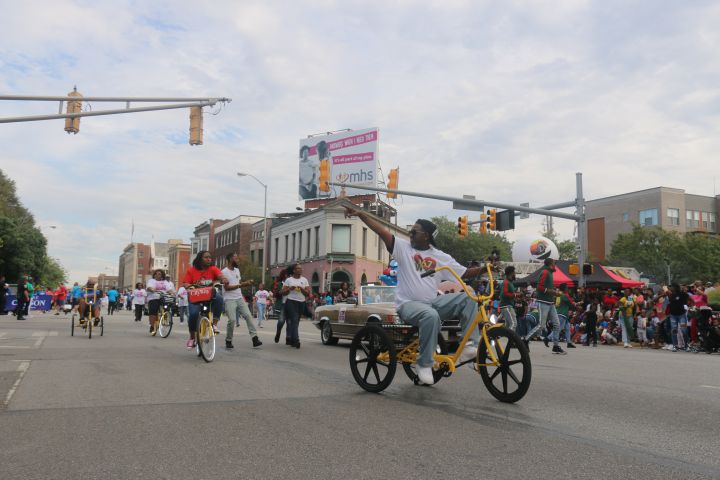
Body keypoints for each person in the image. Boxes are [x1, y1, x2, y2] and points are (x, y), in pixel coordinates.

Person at [344, 206, 483, 385]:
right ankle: (424, 364)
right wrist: (361, 214)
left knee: (469, 299)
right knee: (430, 316)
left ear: (426, 235)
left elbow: (464, 273)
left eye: (414, 232)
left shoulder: (440, 256)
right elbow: (380, 230)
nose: (410, 234)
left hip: (432, 303)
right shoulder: (403, 248)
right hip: (408, 305)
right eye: (410, 231)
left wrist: (486, 269)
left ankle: (470, 347)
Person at [182, 250, 225, 350]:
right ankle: (192, 337)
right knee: (193, 314)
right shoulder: (191, 270)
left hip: (209, 295)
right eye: (206, 257)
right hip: (195, 295)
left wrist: (223, 279)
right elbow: (185, 283)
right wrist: (188, 286)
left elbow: (220, 276)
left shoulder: (213, 269)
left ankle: (214, 325)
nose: (209, 259)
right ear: (200, 259)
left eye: (210, 257)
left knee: (219, 298)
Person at [524, 258, 565, 355]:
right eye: (554, 263)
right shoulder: (545, 272)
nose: (555, 265)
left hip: (549, 302)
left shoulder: (549, 273)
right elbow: (539, 287)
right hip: (543, 302)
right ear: (551, 264)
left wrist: (553, 292)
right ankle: (525, 340)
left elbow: (545, 288)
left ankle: (555, 346)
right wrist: (554, 292)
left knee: (557, 324)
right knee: (541, 325)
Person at [221, 253, 262, 349]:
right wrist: (241, 285)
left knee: (248, 316)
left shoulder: (237, 270)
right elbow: (226, 288)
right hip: (229, 299)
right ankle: (228, 340)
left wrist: (246, 283)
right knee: (232, 320)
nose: (238, 260)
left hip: (239, 297)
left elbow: (238, 283)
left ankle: (255, 338)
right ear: (230, 259)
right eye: (236, 258)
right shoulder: (224, 272)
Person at [281, 263, 311, 349]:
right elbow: (282, 292)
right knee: (294, 319)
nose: (300, 270)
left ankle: (292, 339)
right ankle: (296, 340)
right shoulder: (289, 280)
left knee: (296, 321)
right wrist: (289, 289)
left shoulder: (304, 280)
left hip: (301, 302)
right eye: (298, 268)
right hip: (291, 301)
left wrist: (302, 289)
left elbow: (308, 293)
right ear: (294, 270)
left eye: (301, 268)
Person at [146, 270, 175, 336]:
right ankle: (152, 326)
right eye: (158, 274)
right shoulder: (151, 281)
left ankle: (165, 317)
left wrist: (171, 293)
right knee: (153, 311)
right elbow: (149, 287)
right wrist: (152, 289)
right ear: (155, 275)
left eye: (161, 274)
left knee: (167, 306)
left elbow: (169, 289)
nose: (159, 275)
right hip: (154, 297)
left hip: (163, 297)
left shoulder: (165, 282)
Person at [664, 283, 692, 352]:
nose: (671, 288)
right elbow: (666, 291)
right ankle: (675, 346)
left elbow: (691, 300)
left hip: (682, 315)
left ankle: (686, 346)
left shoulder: (683, 294)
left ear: (676, 288)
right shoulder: (671, 295)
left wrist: (690, 305)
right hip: (673, 315)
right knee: (674, 331)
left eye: (672, 287)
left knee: (684, 331)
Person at [549, 283, 576, 349]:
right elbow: (570, 303)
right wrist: (575, 304)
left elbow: (557, 304)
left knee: (567, 328)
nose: (567, 289)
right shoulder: (564, 295)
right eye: (566, 287)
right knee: (559, 328)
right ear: (564, 288)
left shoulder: (558, 295)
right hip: (562, 313)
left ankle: (569, 342)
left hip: (560, 312)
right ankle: (548, 338)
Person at [499, 266, 519, 332]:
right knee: (513, 323)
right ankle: (511, 340)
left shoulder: (509, 282)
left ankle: (500, 337)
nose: (515, 274)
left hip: (507, 306)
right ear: (511, 273)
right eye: (514, 272)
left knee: (507, 325)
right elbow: (505, 294)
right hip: (506, 306)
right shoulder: (506, 282)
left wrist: (516, 295)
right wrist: (516, 295)